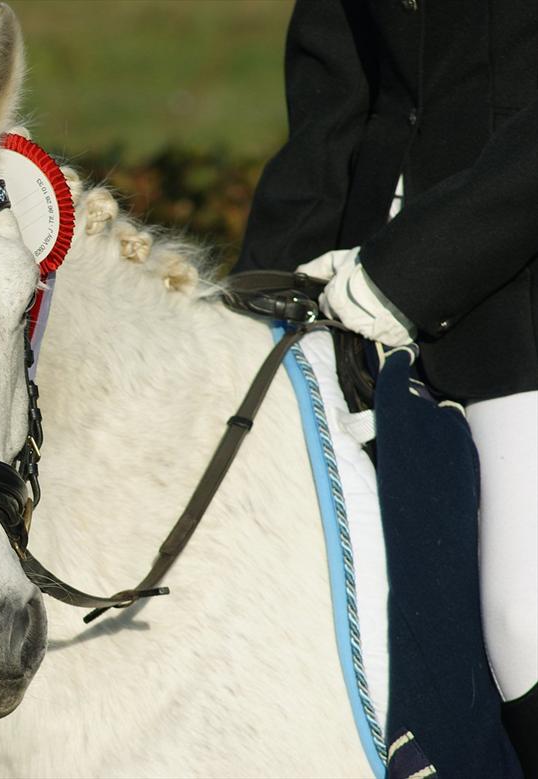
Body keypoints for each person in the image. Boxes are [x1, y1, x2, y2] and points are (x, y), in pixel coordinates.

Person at [235, 1, 537, 775]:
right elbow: (335, 94)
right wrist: (261, 288)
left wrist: (408, 273)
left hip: (517, 309)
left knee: (523, 623)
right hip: (354, 286)